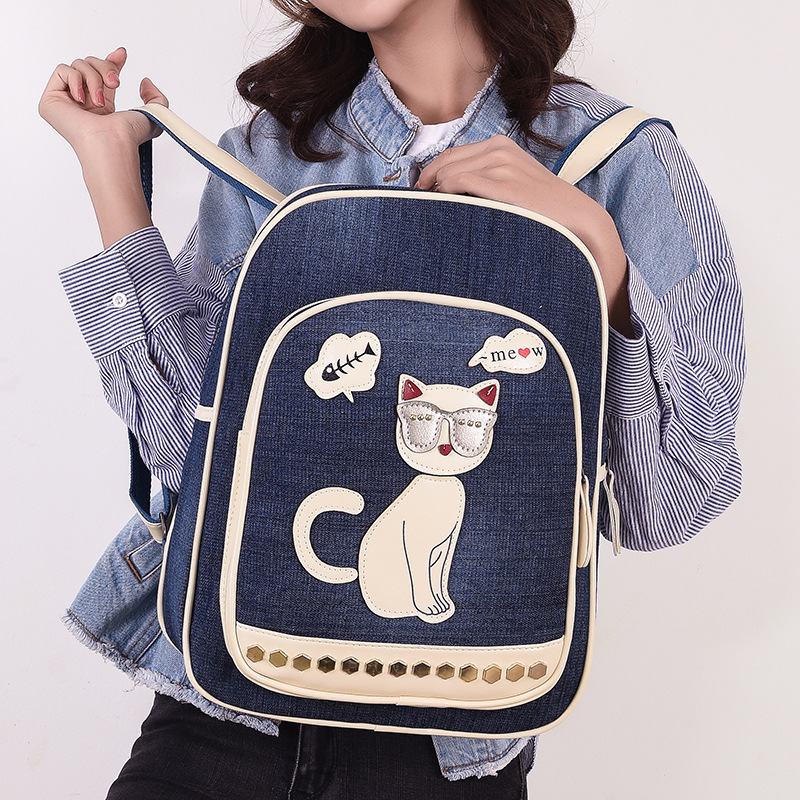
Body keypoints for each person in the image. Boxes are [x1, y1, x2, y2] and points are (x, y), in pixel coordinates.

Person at [39, 1, 746, 797]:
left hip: (450, 734)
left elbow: (666, 506)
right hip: (222, 695)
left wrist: (601, 259)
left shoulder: (618, 159)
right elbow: (190, 462)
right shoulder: (266, 156)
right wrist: (109, 169)